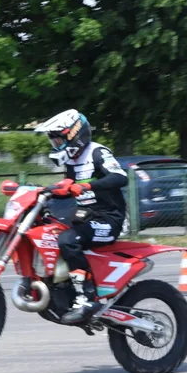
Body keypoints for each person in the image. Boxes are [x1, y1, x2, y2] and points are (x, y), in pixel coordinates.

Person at [34, 109, 128, 325]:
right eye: (53, 140)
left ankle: (87, 297)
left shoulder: (97, 153)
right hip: (85, 217)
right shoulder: (72, 161)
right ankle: (59, 290)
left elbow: (120, 178)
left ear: (74, 135)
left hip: (108, 219)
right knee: (48, 232)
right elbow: (68, 190)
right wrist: (45, 194)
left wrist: (86, 185)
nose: (56, 145)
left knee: (69, 240)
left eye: (59, 139)